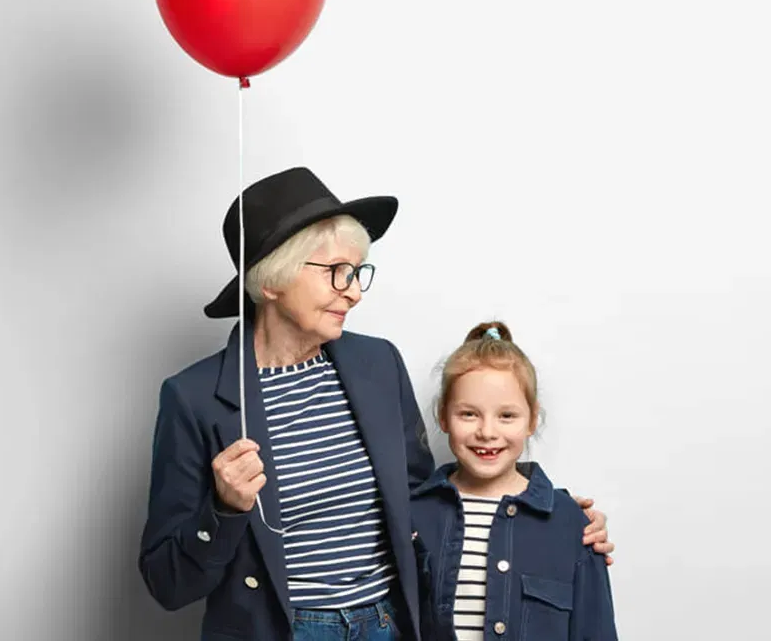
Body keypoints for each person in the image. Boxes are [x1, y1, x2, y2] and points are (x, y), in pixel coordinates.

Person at [138, 166, 614, 641]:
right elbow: (167, 584)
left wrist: (549, 519)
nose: (354, 291)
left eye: (357, 272)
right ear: (270, 281)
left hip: (387, 626)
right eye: (335, 274)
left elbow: (424, 501)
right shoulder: (195, 398)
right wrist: (222, 509)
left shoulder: (378, 364)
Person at [410, 322, 618, 641]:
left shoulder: (573, 525)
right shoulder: (413, 515)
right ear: (443, 415)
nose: (487, 432)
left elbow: (596, 632)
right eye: (468, 414)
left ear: (532, 420)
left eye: (506, 416)